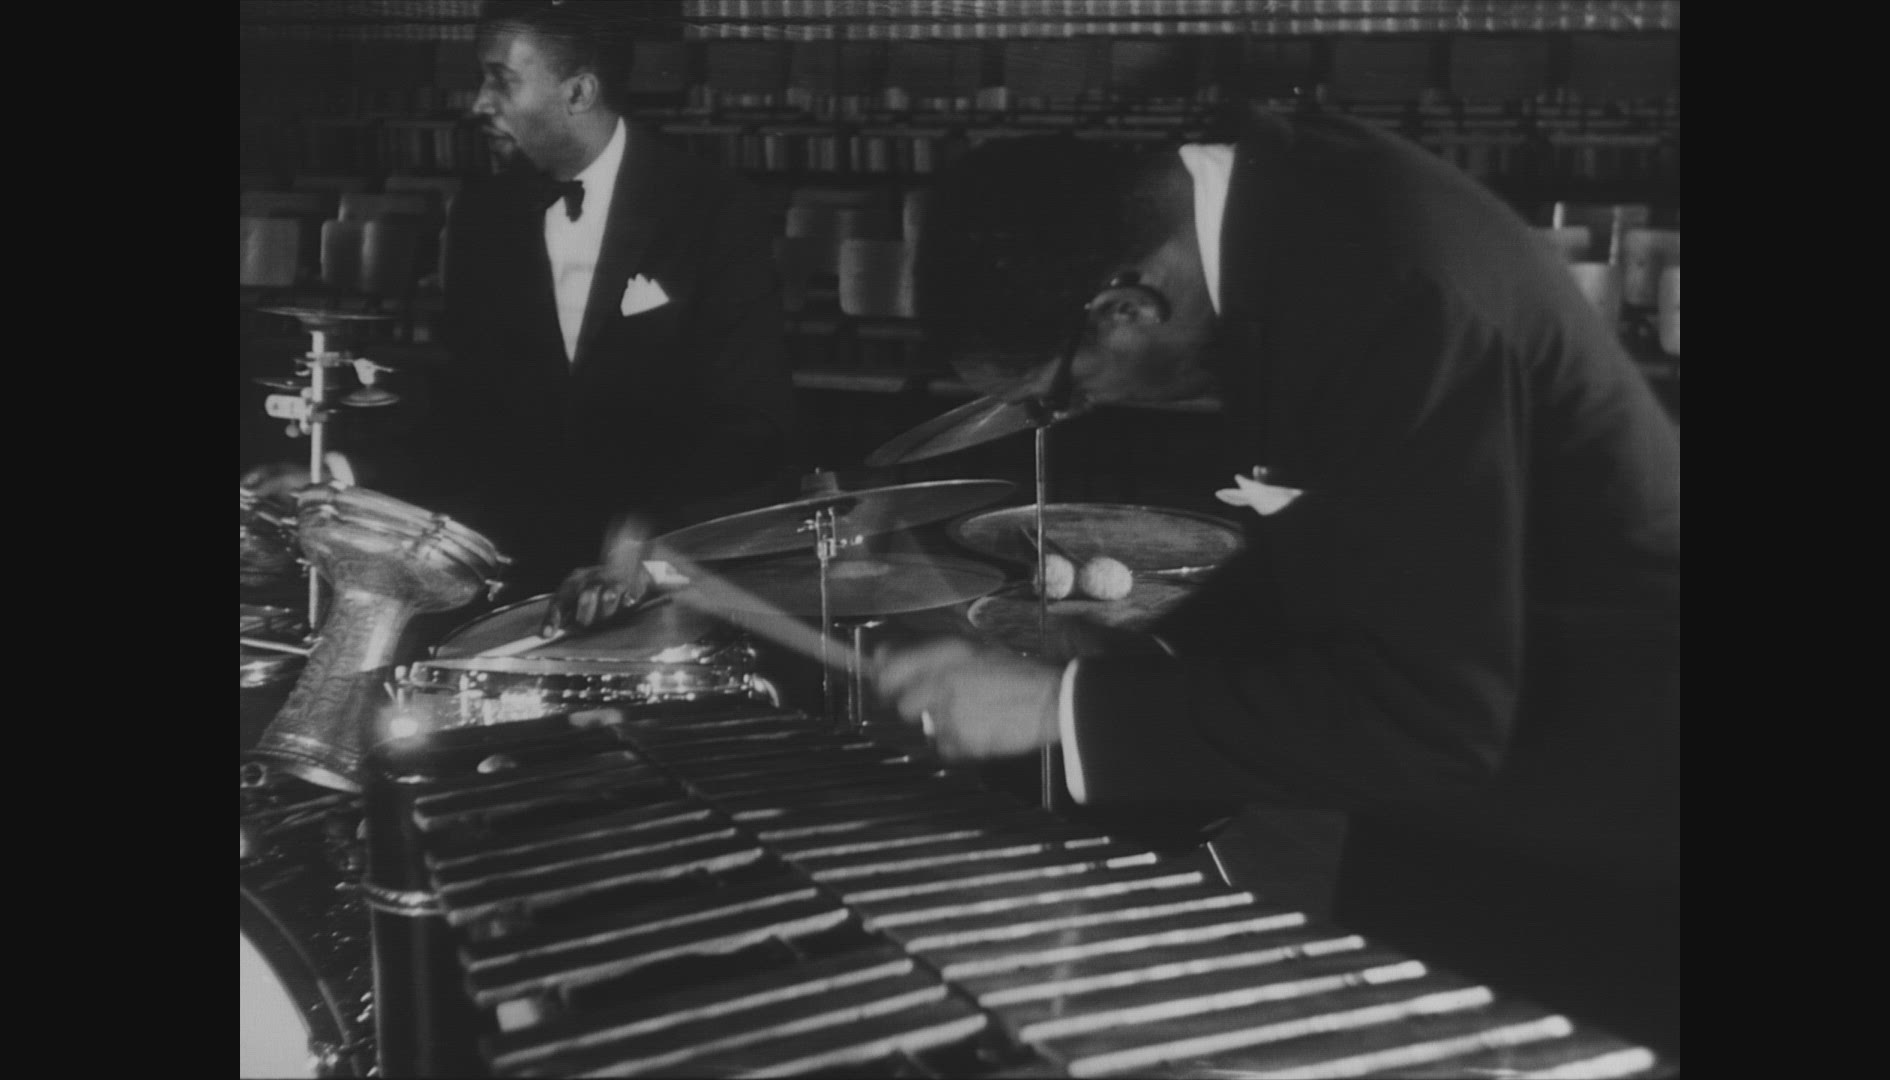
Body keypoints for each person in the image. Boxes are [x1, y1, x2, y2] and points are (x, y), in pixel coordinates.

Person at [873, 111, 1681, 1056]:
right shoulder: (1280, 220)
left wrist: (1062, 709)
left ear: (1126, 307)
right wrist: (1136, 657)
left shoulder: (1389, 299)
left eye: (1065, 391)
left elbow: (1431, 718)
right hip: (1481, 736)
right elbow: (1356, 531)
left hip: (1598, 786)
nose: (1084, 408)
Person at [245, 1, 795, 633]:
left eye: (501, 80)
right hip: (520, 565)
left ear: (579, 92)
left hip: (668, 577)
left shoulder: (712, 206)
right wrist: (340, 477)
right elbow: (467, 410)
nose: (479, 103)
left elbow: (753, 421)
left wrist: (648, 536)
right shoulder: (483, 214)